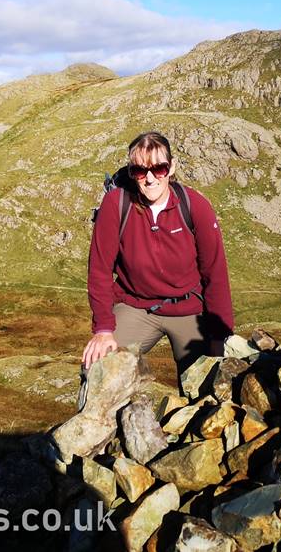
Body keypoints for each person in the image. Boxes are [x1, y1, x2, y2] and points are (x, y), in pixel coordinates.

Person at [81, 131, 234, 382]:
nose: (150, 178)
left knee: (209, 381)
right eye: (140, 171)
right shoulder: (115, 204)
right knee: (96, 368)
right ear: (132, 173)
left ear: (171, 167)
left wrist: (220, 336)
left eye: (159, 168)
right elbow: (98, 270)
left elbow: (215, 273)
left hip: (189, 309)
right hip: (135, 306)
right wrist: (104, 330)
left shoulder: (195, 206)